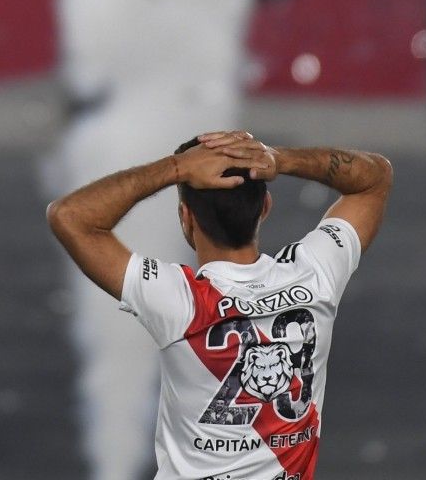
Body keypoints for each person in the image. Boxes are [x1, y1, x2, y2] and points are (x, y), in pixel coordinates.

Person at [47, 131, 393, 480]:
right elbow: (374, 178)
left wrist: (176, 168)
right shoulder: (315, 276)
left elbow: (70, 216)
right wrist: (279, 159)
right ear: (265, 207)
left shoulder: (177, 299)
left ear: (186, 217)